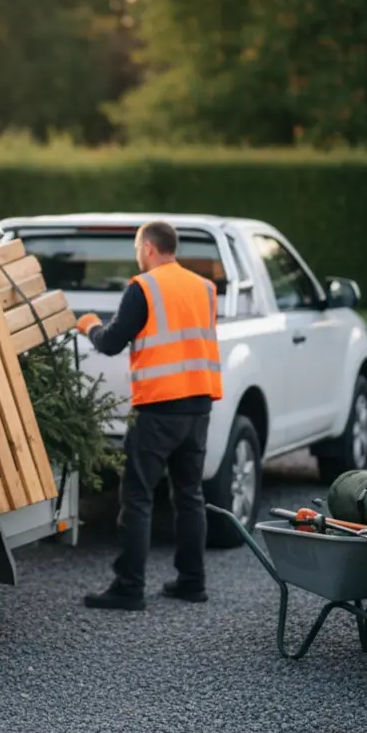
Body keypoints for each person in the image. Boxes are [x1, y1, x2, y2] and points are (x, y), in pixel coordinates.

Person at [74, 220, 223, 610]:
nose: (138, 256)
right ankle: (193, 582)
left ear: (150, 249)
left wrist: (88, 326)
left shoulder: (144, 287)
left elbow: (110, 342)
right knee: (189, 495)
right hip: (198, 405)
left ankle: (129, 588)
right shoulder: (204, 288)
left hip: (158, 409)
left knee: (137, 497)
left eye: (138, 249)